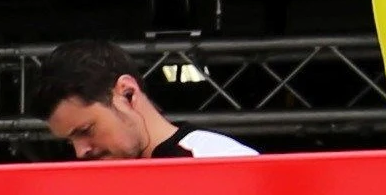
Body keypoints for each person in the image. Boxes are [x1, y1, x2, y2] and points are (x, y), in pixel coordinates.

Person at [40, 38, 256, 160]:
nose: (80, 152)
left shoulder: (219, 160)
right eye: (71, 141)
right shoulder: (100, 192)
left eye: (86, 130)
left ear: (127, 93)